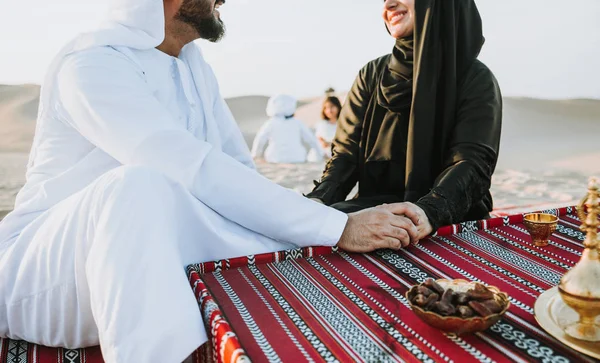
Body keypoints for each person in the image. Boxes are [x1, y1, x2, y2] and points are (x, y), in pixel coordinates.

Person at [0, 0, 428, 361]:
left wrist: (320, 221)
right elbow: (184, 164)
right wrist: (340, 228)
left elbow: (237, 172)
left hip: (161, 257)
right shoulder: (91, 63)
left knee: (296, 240)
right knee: (138, 187)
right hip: (51, 278)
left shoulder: (193, 67)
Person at [307, 0, 502, 234]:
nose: (389, 4)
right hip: (378, 213)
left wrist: (428, 212)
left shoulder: (474, 78)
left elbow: (471, 163)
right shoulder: (371, 75)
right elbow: (346, 157)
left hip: (449, 216)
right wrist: (318, 200)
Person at [250, 94, 322, 164]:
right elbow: (311, 139)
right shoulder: (297, 123)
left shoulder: (270, 123)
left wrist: (255, 155)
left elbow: (260, 139)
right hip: (297, 158)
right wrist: (321, 154)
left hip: (274, 158)